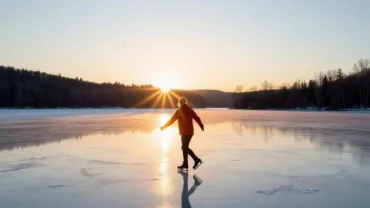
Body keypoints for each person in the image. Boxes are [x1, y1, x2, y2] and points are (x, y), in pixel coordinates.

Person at [160, 97, 204, 170]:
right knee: (184, 147)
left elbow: (171, 120)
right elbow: (197, 118)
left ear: (180, 103)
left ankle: (196, 159)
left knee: (184, 147)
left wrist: (164, 127)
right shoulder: (190, 110)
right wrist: (201, 125)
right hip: (190, 132)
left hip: (184, 132)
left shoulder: (179, 111)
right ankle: (185, 164)